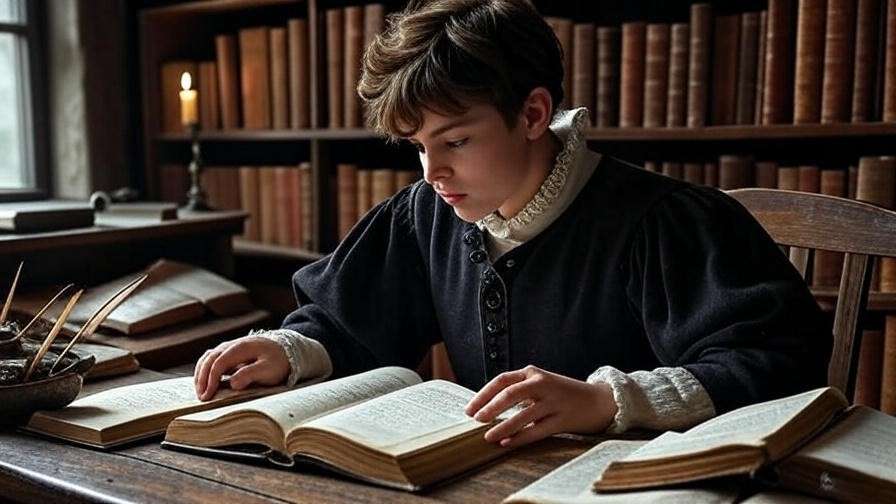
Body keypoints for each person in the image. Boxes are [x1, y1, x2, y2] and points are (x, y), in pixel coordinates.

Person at [194, 0, 831, 448]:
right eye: (418, 146)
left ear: (532, 114)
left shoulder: (662, 225)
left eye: (457, 141)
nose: (432, 171)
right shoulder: (426, 214)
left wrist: (608, 401)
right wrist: (286, 349)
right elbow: (352, 319)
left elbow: (779, 362)